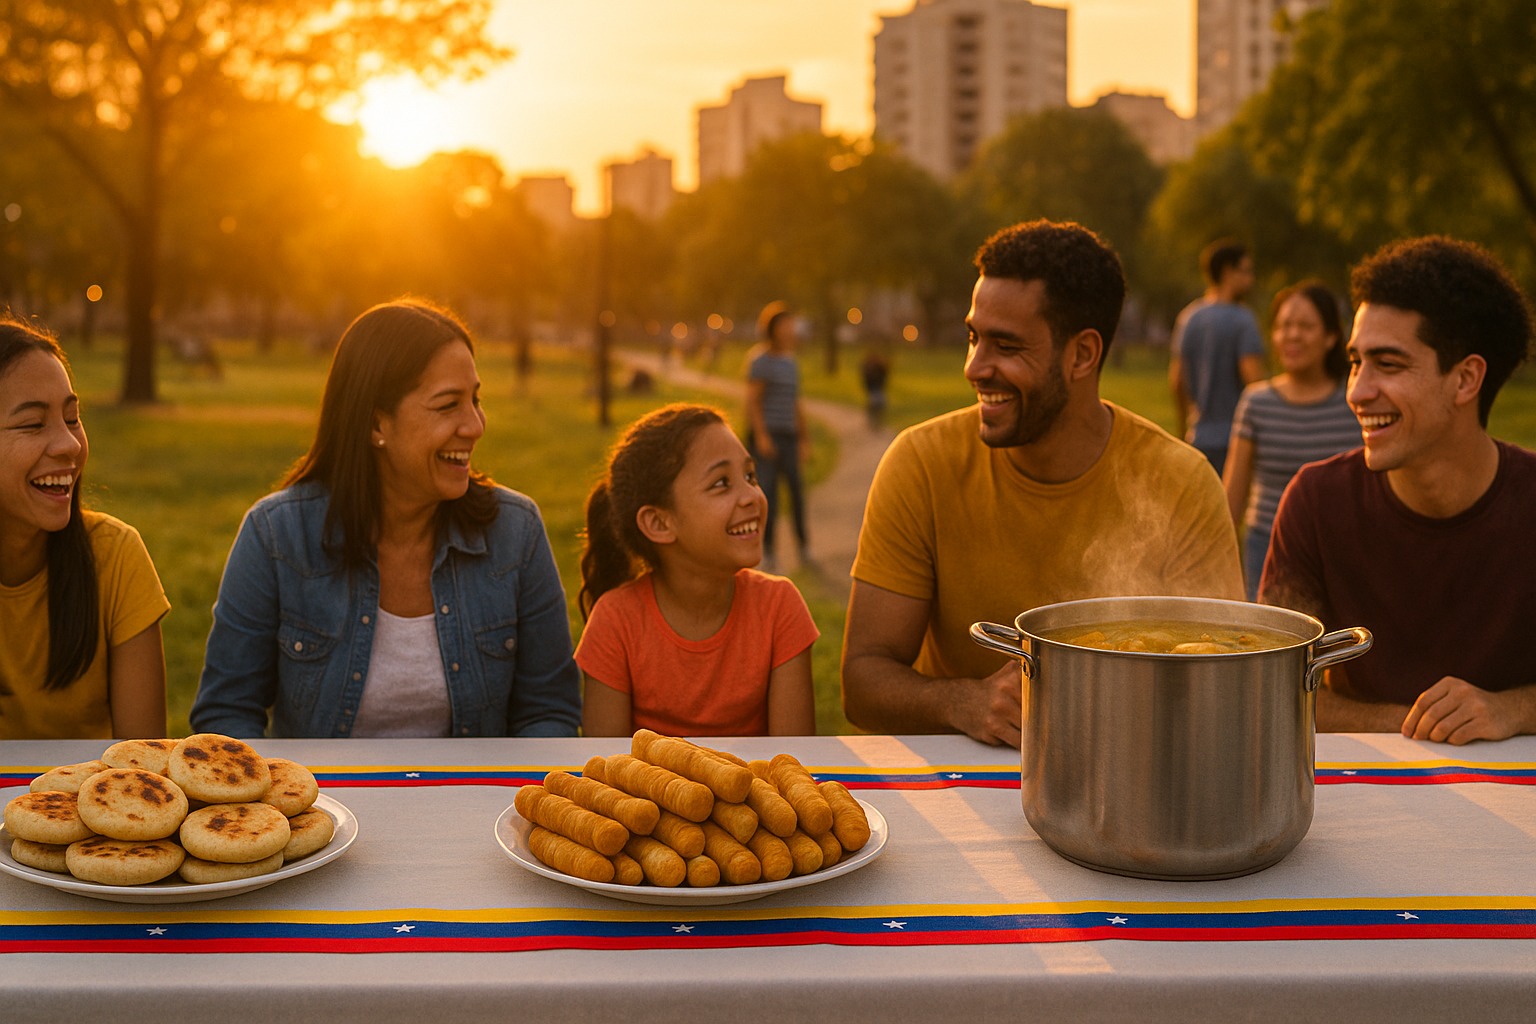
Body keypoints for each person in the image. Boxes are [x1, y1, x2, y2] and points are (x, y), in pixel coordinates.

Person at [841, 220, 1244, 747]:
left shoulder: (1182, 482)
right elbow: (861, 680)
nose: (975, 367)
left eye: (1005, 346)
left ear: (1082, 355)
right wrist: (963, 701)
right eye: (973, 337)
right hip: (968, 787)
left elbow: (1223, 686)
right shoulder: (920, 462)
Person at [192, 300, 581, 738]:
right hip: (324, 805)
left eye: (475, 400)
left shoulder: (516, 532)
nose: (475, 425)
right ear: (377, 423)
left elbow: (549, 713)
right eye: (448, 405)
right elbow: (226, 714)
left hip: (476, 802)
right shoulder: (276, 535)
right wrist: (281, 804)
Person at [1261, 236, 1536, 743]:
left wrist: (1511, 710)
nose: (1357, 391)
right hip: (1369, 799)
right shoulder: (1315, 501)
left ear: (1465, 379)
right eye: (1354, 362)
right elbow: (1272, 694)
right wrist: (1419, 724)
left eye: (1388, 364)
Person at [576, 403, 817, 737]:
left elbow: (794, 764)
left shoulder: (780, 608)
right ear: (659, 522)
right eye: (721, 483)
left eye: (750, 476)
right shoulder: (615, 623)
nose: (751, 496)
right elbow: (608, 771)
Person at [0, 313, 170, 739]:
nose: (70, 444)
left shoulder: (116, 557)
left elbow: (142, 773)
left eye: (72, 418)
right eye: (33, 423)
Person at [1223, 281, 1361, 599]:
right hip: (1267, 547)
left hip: (1341, 548)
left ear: (1331, 337)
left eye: (1305, 326)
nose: (1292, 335)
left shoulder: (1355, 401)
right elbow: (1232, 498)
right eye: (1284, 326)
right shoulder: (1256, 402)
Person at [1170, 239, 1268, 473]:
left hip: (1199, 436)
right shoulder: (1242, 319)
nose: (1250, 279)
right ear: (1227, 271)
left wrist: (1183, 429)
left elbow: (1177, 381)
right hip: (1235, 439)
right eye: (1245, 271)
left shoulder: (1189, 318)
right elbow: (1253, 380)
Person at [745, 301, 810, 569]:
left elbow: (795, 402)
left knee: (796, 493)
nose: (791, 330)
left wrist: (804, 438)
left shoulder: (790, 362)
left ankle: (804, 547)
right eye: (786, 325)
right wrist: (761, 436)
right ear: (773, 328)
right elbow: (753, 401)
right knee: (768, 495)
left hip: (789, 437)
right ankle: (768, 550)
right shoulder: (759, 360)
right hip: (768, 436)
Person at [860, 345, 890, 430]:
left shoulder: (874, 367)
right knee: (876, 404)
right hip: (874, 388)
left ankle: (875, 422)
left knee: (877, 404)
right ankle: (874, 422)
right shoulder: (870, 367)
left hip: (877, 388)